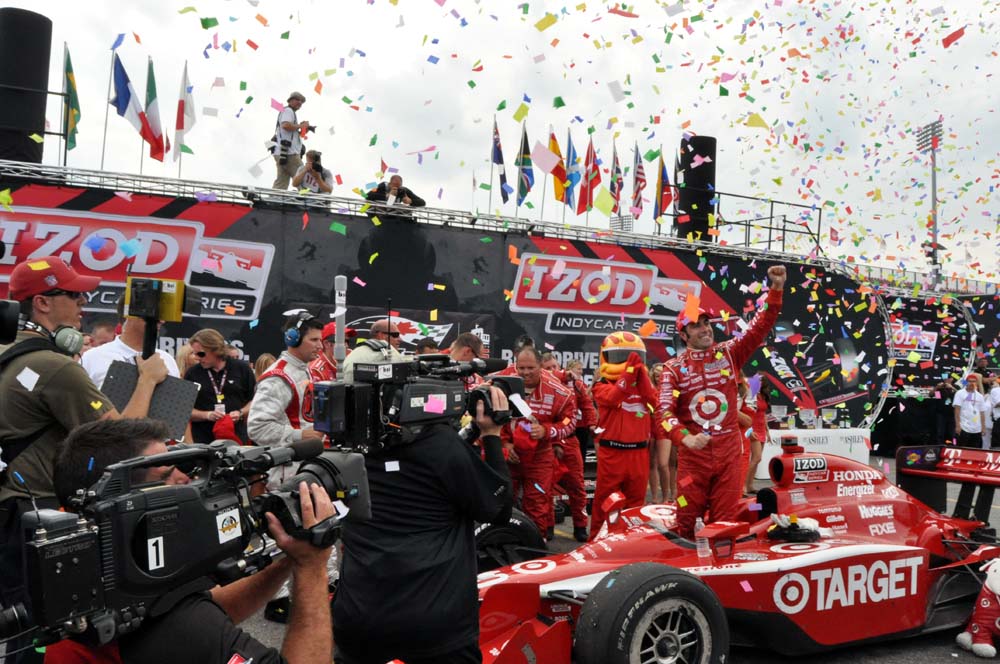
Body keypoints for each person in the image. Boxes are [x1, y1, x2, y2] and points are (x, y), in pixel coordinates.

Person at [46, 418, 334, 664]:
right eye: (168, 475)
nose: (186, 480)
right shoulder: (178, 631)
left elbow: (203, 606)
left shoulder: (90, 561)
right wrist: (312, 566)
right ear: (120, 502)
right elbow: (193, 625)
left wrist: (288, 557)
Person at [0, 256, 168, 664]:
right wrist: (147, 378)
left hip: (11, 509)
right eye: (73, 294)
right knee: (47, 629)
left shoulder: (8, 354)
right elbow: (126, 439)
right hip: (41, 516)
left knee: (17, 624)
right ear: (41, 302)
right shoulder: (54, 366)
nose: (83, 302)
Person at [333, 385, 512, 664]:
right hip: (435, 623)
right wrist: (491, 435)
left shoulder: (347, 446)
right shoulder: (442, 444)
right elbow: (498, 508)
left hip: (359, 617)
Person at [657, 264, 786, 539]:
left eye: (706, 323)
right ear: (683, 335)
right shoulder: (672, 368)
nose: (705, 329)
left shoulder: (729, 353)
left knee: (723, 524)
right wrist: (684, 439)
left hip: (729, 456)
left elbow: (760, 327)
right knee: (686, 520)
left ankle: (718, 575)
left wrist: (776, 290)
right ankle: (686, 579)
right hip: (693, 460)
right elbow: (664, 414)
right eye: (696, 326)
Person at [589, 332, 661, 538]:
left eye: (632, 356)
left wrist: (642, 378)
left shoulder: (645, 387)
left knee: (635, 504)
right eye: (621, 356)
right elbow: (613, 398)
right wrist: (630, 372)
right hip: (612, 453)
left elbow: (655, 403)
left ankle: (632, 543)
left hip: (638, 453)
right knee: (605, 501)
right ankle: (596, 540)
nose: (628, 360)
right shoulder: (601, 385)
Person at [501, 346, 578, 539]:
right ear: (515, 366)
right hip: (509, 455)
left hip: (540, 457)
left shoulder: (559, 392)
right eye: (521, 368)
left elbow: (570, 422)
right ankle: (501, 540)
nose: (526, 373)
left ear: (541, 367)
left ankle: (536, 545)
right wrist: (504, 445)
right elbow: (491, 418)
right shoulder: (501, 384)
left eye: (531, 368)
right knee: (502, 500)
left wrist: (547, 431)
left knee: (538, 502)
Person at [248, 312, 326, 481]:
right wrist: (301, 435)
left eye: (320, 340)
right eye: (314, 340)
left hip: (305, 466)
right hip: (286, 473)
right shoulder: (278, 378)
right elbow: (257, 428)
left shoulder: (304, 369)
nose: (320, 346)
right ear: (293, 339)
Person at [540, 352, 590, 541]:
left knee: (577, 485)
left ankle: (580, 526)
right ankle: (548, 525)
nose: (553, 371)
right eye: (548, 368)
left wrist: (593, 424)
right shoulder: (539, 389)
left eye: (555, 367)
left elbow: (586, 407)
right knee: (546, 487)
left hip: (570, 440)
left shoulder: (575, 385)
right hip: (547, 443)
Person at [80, 299, 180, 391]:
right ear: (130, 314)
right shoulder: (92, 357)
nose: (162, 321)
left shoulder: (167, 359)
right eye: (153, 313)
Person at [185, 329, 256, 445]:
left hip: (236, 438)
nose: (196, 358)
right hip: (203, 441)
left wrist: (240, 412)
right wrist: (207, 415)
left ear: (216, 350)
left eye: (201, 354)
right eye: (194, 353)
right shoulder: (192, 373)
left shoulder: (242, 369)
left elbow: (254, 400)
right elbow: (184, 410)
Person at [340, 318, 406, 382]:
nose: (400, 339)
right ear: (382, 335)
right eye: (395, 335)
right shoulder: (388, 350)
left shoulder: (354, 353)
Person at [272, 91, 310, 190]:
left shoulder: (286, 111)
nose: (300, 103)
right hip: (290, 154)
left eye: (301, 101)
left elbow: (288, 129)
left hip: (281, 152)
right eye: (297, 100)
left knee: (281, 182)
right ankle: (309, 202)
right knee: (304, 179)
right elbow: (286, 125)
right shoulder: (288, 111)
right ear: (290, 100)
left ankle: (274, 201)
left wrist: (301, 128)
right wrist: (302, 126)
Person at [648, 362, 672, 503]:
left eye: (660, 374)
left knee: (663, 464)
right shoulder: (649, 388)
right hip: (650, 426)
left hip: (664, 427)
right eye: (656, 374)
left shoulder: (670, 388)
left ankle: (666, 497)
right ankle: (655, 498)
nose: (658, 377)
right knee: (651, 464)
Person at [955, 373, 987, 448]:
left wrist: (983, 427)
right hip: (964, 427)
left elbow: (982, 412)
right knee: (963, 449)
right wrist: (958, 425)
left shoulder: (979, 396)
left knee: (976, 450)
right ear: (966, 382)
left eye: (974, 381)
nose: (972, 383)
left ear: (976, 383)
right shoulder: (960, 393)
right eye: (970, 381)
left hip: (977, 428)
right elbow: (957, 410)